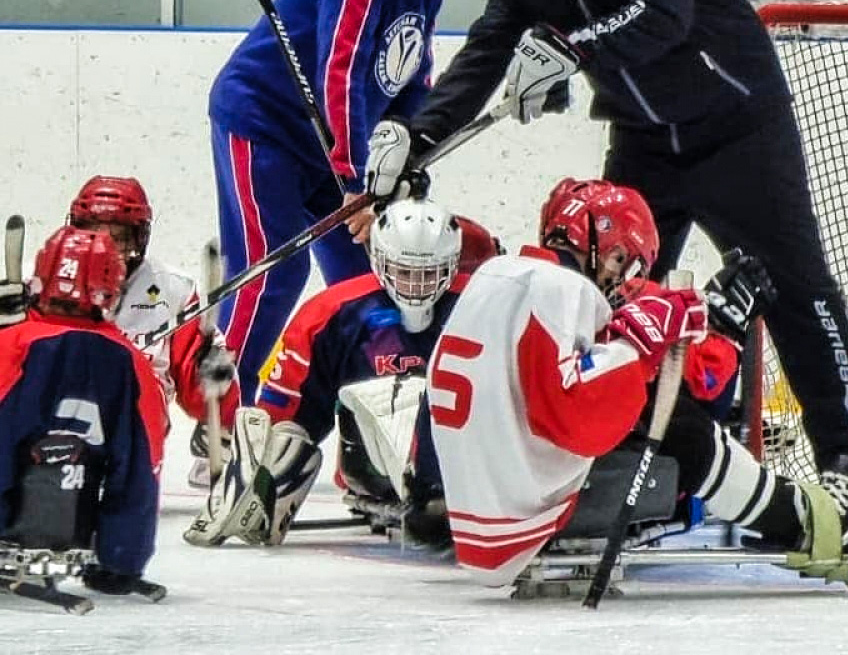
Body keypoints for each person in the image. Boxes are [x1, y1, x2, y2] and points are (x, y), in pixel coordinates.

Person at [364, 0, 848, 529]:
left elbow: (662, 10)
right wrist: (419, 137)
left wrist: (570, 48)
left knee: (794, 287)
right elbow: (489, 48)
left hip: (739, 129)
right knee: (601, 302)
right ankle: (621, 465)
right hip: (646, 144)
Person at [426, 178, 848, 588]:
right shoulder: (563, 290)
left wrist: (679, 332)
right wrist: (643, 343)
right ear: (598, 242)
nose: (619, 277)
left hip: (476, 512)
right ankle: (802, 520)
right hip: (523, 516)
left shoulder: (498, 274)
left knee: (651, 395)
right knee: (668, 414)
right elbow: (579, 415)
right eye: (621, 258)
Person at [208, 0, 490, 405]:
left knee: (368, 273)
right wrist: (354, 178)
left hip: (331, 146)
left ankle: (380, 406)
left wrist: (406, 153)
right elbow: (340, 71)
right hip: (264, 124)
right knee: (275, 270)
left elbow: (411, 83)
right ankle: (221, 414)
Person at [183, 199, 501, 548]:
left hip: (473, 461)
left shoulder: (486, 306)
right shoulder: (330, 313)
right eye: (404, 271)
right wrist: (253, 472)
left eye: (429, 272)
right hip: (374, 469)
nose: (416, 285)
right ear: (379, 260)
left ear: (454, 265)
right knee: (286, 440)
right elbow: (285, 415)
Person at [0, 225, 167, 595]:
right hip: (78, 518)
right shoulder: (131, 361)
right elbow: (144, 465)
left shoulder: (10, 343)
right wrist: (123, 560)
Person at [68, 175, 239, 487]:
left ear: (138, 238)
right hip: (61, 409)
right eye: (93, 233)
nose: (103, 247)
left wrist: (212, 385)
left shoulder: (172, 289)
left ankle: (218, 453)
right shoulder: (41, 281)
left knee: (143, 373)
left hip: (136, 416)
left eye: (118, 237)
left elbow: (198, 372)